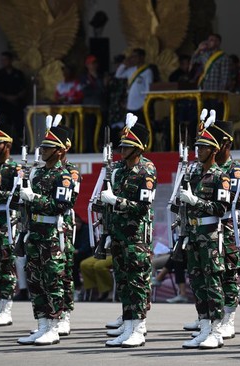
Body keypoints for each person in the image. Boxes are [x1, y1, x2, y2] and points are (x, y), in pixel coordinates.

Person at [16, 124, 74, 346]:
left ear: (59, 151)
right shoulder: (37, 172)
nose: (43, 151)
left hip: (51, 234)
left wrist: (33, 198)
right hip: (34, 233)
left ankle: (53, 326)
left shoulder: (64, 176)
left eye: (48, 148)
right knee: (35, 281)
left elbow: (61, 205)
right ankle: (42, 325)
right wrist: (19, 194)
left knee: (53, 281)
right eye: (43, 147)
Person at [99, 120, 156, 348]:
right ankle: (129, 326)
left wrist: (117, 201)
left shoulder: (147, 170)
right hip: (120, 235)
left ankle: (139, 328)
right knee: (123, 282)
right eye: (121, 146)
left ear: (138, 148)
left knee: (137, 283)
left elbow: (143, 206)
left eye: (126, 146)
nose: (121, 150)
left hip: (136, 237)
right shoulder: (119, 170)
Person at [179, 123, 231, 350]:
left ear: (214, 150)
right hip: (193, 233)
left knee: (212, 283)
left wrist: (196, 202)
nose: (198, 150)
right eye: (197, 146)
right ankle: (204, 327)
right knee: (197, 283)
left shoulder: (221, 176)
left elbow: (222, 209)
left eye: (203, 147)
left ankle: (217, 331)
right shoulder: (192, 173)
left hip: (209, 235)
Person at [209, 120, 240, 339]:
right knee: (208, 272)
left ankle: (229, 318)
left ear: (226, 144)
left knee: (228, 273)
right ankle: (211, 315)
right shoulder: (205, 167)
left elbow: (232, 199)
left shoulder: (235, 170)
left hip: (227, 225)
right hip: (208, 226)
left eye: (217, 142)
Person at [0, 118, 20, 327]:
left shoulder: (14, 169)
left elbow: (16, 196)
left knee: (6, 262)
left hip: (7, 218)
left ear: (7, 146)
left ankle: (6, 307)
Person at [55, 125, 81, 336]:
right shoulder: (43, 170)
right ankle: (50, 315)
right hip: (44, 226)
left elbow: (68, 200)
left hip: (63, 224)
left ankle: (65, 314)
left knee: (65, 270)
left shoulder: (71, 172)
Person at [0, 51, 26, 151]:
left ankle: (19, 148)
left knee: (18, 127)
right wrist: (7, 97)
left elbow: (24, 89)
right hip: (4, 105)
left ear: (11, 60)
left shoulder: (19, 74)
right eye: (2, 60)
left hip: (17, 105)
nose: (3, 62)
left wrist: (15, 97)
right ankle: (4, 147)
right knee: (4, 127)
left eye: (6, 59)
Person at [191, 33, 231, 116]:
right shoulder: (204, 55)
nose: (209, 42)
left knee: (216, 118)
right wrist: (198, 49)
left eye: (212, 40)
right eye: (208, 40)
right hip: (205, 90)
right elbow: (193, 61)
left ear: (218, 42)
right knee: (205, 118)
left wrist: (222, 93)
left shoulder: (223, 57)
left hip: (216, 92)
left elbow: (225, 76)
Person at [115, 49, 154, 126]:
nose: (133, 58)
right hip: (130, 104)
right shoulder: (131, 70)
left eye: (135, 56)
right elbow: (118, 75)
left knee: (139, 128)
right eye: (132, 57)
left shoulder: (147, 71)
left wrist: (144, 104)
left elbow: (148, 89)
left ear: (142, 57)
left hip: (140, 105)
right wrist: (124, 64)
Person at [81, 55, 106, 152]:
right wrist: (98, 89)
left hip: (101, 107)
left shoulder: (101, 76)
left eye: (95, 63)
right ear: (87, 65)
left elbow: (104, 91)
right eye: (92, 63)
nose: (94, 65)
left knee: (101, 130)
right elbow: (86, 92)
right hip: (89, 108)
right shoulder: (84, 78)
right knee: (89, 130)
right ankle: (90, 149)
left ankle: (101, 149)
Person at [72, 214, 92, 300]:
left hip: (85, 254)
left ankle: (79, 288)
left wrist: (78, 251)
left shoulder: (86, 229)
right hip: (74, 255)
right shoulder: (72, 230)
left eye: (78, 222)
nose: (76, 224)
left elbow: (87, 246)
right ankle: (76, 287)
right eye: (75, 222)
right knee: (71, 264)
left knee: (75, 263)